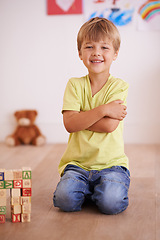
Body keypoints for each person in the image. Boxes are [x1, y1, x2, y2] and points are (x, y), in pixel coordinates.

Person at [53, 17, 130, 215]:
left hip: (112, 165)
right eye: (89, 47)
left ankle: (97, 190)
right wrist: (104, 110)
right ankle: (90, 190)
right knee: (65, 200)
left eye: (104, 47)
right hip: (77, 165)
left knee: (111, 204)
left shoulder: (119, 86)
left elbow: (109, 126)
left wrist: (81, 118)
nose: (96, 52)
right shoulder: (74, 85)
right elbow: (69, 124)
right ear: (80, 53)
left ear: (115, 54)